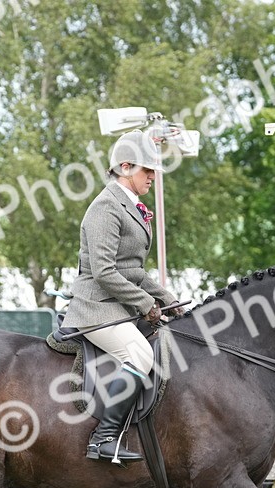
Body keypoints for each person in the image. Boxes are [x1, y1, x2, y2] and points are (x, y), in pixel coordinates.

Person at [61, 130, 183, 463]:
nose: (152, 176)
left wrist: (169, 300)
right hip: (96, 307)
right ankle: (104, 438)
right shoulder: (106, 207)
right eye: (147, 170)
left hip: (117, 306)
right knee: (141, 355)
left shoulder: (129, 206)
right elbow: (104, 272)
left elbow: (134, 271)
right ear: (125, 167)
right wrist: (145, 304)